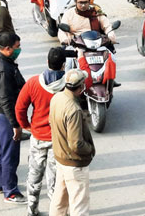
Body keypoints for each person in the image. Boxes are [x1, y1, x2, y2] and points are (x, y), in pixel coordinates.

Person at [16, 47, 66, 216]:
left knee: (34, 176)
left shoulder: (33, 83)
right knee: (55, 180)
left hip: (37, 137)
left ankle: (32, 209)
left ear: (47, 62)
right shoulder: (68, 85)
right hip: (58, 140)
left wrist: (27, 126)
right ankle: (56, 211)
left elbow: (19, 108)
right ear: (63, 65)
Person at [0, 31, 27, 204]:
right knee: (10, 153)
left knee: (2, 149)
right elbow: (6, 100)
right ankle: (10, 191)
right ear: (8, 48)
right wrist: (16, 125)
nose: (19, 50)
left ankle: (0, 183)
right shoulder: (3, 70)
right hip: (6, 114)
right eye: (17, 47)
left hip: (0, 113)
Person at [49, 68, 95, 216]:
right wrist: (90, 149)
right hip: (74, 164)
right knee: (79, 206)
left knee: (59, 202)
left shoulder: (56, 98)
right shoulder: (73, 110)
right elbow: (76, 144)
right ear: (81, 87)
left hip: (61, 159)